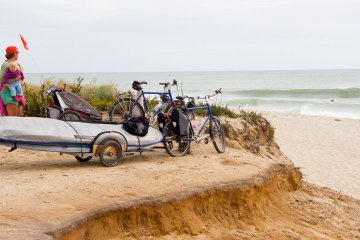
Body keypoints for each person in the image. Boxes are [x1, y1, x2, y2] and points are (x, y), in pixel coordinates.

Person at [0, 46, 25, 116]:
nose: (18, 55)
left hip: (18, 93)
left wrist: (22, 82)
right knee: (13, 117)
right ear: (14, 54)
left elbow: (21, 78)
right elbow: (1, 80)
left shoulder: (18, 64)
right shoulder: (6, 64)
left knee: (19, 116)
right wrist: (15, 80)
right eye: (17, 53)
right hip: (8, 92)